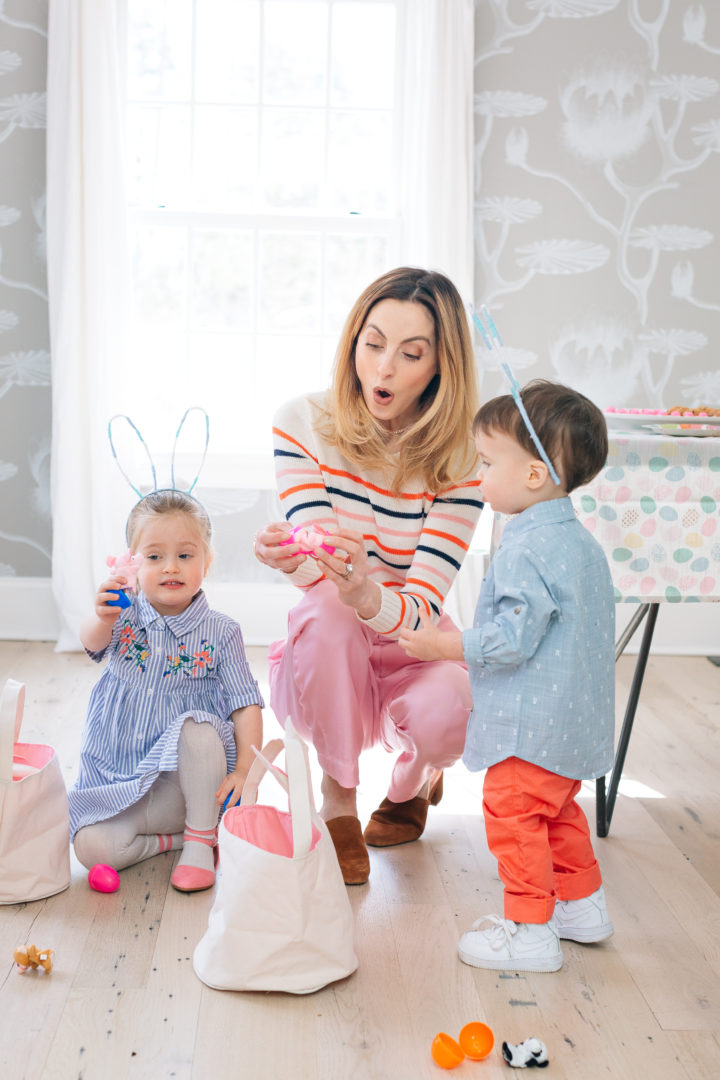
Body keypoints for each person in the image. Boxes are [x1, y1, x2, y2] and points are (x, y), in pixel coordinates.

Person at [253, 267, 483, 885]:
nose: (383, 368)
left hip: (413, 638)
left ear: (440, 367)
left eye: (410, 354)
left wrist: (367, 594)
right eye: (373, 343)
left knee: (453, 713)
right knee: (329, 607)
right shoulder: (300, 421)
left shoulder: (463, 458)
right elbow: (318, 562)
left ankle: (414, 783)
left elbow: (425, 597)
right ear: (353, 339)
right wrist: (291, 558)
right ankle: (338, 799)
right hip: (334, 635)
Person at [399, 379, 615, 972]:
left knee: (514, 815)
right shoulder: (580, 545)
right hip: (571, 728)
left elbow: (511, 640)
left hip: (532, 728)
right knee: (558, 812)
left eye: (489, 462)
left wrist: (443, 644)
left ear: (534, 476)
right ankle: (581, 903)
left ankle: (529, 929)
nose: (479, 473)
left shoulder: (526, 549)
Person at [69, 489, 264, 893]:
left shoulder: (221, 632)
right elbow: (91, 642)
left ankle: (198, 839)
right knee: (90, 846)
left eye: (185, 555)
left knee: (198, 726)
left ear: (207, 562)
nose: (170, 567)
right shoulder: (123, 615)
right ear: (133, 563)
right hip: (126, 784)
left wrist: (244, 770)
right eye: (154, 557)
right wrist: (101, 614)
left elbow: (246, 704)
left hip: (190, 787)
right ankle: (185, 840)